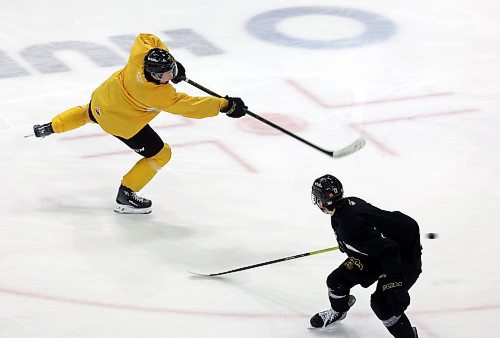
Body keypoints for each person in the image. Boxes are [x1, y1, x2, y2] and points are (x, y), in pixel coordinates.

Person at [33, 33, 247, 214]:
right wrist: (225, 105)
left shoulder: (139, 56)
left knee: (85, 113)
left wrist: (172, 63)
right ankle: (126, 193)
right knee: (161, 154)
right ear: (153, 74)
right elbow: (191, 106)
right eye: (166, 74)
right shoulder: (159, 95)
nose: (170, 77)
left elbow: (147, 38)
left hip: (102, 101)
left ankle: (49, 127)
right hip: (121, 124)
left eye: (171, 70)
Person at [309, 174, 422, 338]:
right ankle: (339, 311)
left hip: (400, 259)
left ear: (323, 201)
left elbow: (388, 250)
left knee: (382, 304)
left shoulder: (348, 225)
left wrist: (396, 286)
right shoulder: (346, 207)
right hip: (376, 256)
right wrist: (349, 245)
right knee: (336, 282)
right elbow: (371, 234)